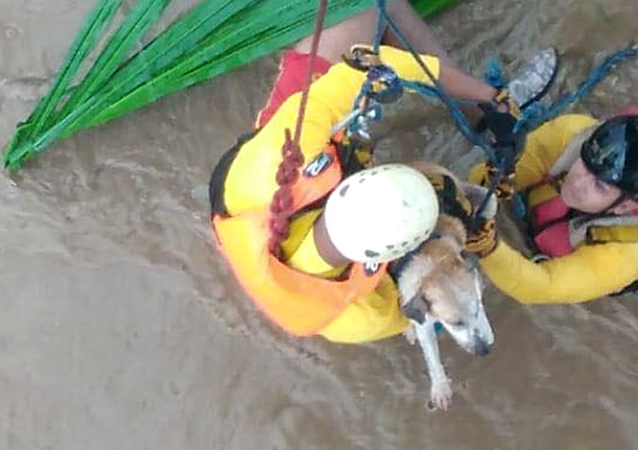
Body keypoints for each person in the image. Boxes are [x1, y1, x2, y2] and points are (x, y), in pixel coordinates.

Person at [209, 0, 556, 343]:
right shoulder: (363, 316)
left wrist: (485, 99)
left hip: (273, 166)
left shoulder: (288, 150)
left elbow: (369, 68)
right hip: (291, 195)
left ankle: (479, 112)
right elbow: (421, 312)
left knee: (371, 7)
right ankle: (485, 110)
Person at [468, 110, 638, 304]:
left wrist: (486, 246)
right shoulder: (570, 134)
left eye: (599, 186)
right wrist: (497, 177)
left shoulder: (628, 255)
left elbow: (541, 286)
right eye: (584, 163)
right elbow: (476, 185)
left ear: (624, 206)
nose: (578, 182)